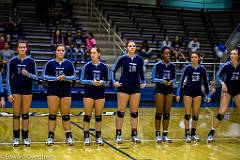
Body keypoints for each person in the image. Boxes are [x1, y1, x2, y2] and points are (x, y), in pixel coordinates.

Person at [111, 40, 146, 144]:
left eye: (134, 46)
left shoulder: (139, 59)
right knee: (121, 112)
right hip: (124, 87)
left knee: (134, 113)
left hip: (135, 88)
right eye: (130, 46)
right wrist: (114, 81)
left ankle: (134, 134)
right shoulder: (122, 58)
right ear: (126, 48)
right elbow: (112, 70)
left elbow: (141, 74)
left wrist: (143, 82)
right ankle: (118, 134)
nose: (132, 47)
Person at [42, 44, 76, 146]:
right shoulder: (50, 63)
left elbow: (74, 77)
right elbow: (44, 76)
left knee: (66, 116)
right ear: (55, 52)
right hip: (53, 91)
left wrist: (65, 78)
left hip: (65, 91)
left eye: (62, 50)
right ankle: (50, 136)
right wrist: (55, 78)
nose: (60, 52)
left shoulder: (69, 64)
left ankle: (69, 136)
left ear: (64, 52)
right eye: (58, 50)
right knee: (52, 115)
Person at [6, 40, 38, 146]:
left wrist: (28, 74)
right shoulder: (12, 61)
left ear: (27, 48)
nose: (22, 49)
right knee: (16, 115)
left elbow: (36, 77)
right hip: (15, 90)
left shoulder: (31, 61)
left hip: (27, 90)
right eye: (20, 47)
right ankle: (16, 138)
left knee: (25, 115)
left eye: (24, 47)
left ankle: (25, 137)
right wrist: (9, 93)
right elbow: (8, 78)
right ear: (17, 49)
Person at [207, 47, 240, 142]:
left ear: (238, 56)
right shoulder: (226, 65)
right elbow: (217, 76)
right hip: (227, 90)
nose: (232, 55)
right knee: (222, 112)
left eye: (234, 54)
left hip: (237, 91)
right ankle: (211, 132)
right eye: (231, 54)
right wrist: (222, 83)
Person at [176, 52, 210, 143]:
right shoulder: (187, 68)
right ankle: (187, 134)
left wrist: (208, 94)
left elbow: (206, 83)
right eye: (192, 57)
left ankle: (193, 133)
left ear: (198, 58)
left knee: (196, 114)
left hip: (198, 93)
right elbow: (181, 81)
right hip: (187, 92)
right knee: (187, 114)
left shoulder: (202, 69)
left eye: (195, 57)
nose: (193, 59)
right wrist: (178, 93)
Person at [80, 47, 109, 146]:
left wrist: (102, 82)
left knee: (98, 116)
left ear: (99, 54)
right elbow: (81, 80)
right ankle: (86, 136)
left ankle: (98, 136)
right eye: (91, 53)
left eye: (94, 53)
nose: (92, 55)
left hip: (100, 93)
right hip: (89, 92)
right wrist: (91, 82)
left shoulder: (104, 67)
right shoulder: (87, 66)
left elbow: (108, 81)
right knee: (87, 116)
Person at [151, 47, 176, 143]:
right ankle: (157, 134)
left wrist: (170, 82)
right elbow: (152, 79)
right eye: (166, 53)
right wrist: (162, 81)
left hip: (169, 90)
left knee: (167, 113)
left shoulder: (172, 66)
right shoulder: (157, 65)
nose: (168, 55)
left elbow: (174, 79)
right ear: (162, 54)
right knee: (159, 113)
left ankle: (165, 134)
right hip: (160, 90)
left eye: (169, 53)